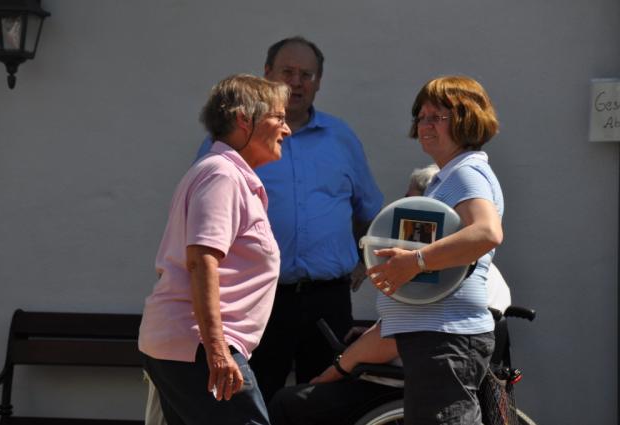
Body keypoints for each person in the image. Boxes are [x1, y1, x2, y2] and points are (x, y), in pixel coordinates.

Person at [196, 36, 384, 404]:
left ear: (319, 81)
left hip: (327, 300)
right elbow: (206, 218)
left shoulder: (341, 138)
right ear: (267, 74)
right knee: (252, 402)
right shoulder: (235, 140)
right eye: (288, 72)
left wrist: (364, 261)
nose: (297, 83)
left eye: (307, 75)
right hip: (257, 299)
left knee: (327, 403)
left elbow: (369, 211)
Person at [268, 163, 511, 425]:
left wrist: (335, 369)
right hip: (423, 371)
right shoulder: (482, 272)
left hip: (396, 382)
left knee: (288, 401)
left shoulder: (443, 278)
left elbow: (390, 341)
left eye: (411, 203)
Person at [138, 74, 291, 425]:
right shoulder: (222, 175)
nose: (287, 129)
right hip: (198, 347)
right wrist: (218, 350)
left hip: (190, 346)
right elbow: (201, 261)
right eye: (279, 118)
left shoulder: (226, 174)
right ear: (243, 119)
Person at [368, 75, 503, 425]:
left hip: (446, 338)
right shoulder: (450, 175)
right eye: (421, 117)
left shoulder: (465, 173)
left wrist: (415, 262)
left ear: (466, 120)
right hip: (438, 337)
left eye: (437, 117)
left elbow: (487, 231)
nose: (424, 125)